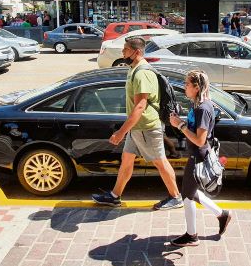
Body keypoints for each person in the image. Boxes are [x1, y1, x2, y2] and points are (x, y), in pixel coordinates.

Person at [92, 37, 183, 211]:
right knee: (127, 160)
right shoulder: (134, 69)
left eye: (126, 50)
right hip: (137, 128)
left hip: (146, 127)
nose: (123, 52)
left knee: (160, 162)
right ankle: (114, 196)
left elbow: (140, 106)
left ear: (137, 52)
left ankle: (176, 197)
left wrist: (120, 132)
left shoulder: (142, 73)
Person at [168, 70, 232, 247]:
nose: (184, 87)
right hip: (195, 155)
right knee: (190, 192)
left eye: (187, 84)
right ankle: (222, 214)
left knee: (187, 195)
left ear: (196, 87)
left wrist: (180, 125)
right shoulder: (197, 104)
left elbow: (200, 140)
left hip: (198, 156)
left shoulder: (203, 109)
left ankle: (191, 235)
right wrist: (179, 120)